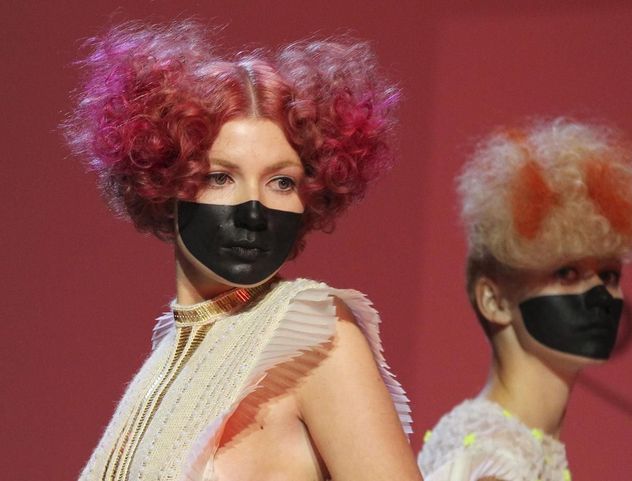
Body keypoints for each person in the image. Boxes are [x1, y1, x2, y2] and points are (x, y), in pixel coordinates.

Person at [64, 21, 421, 481]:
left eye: (281, 182)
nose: (254, 212)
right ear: (165, 184)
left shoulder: (315, 331)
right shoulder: (166, 354)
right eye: (220, 177)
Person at [418, 118, 632, 481]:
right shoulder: (493, 460)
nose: (601, 296)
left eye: (609, 274)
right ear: (494, 301)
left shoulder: (519, 445)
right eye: (567, 273)